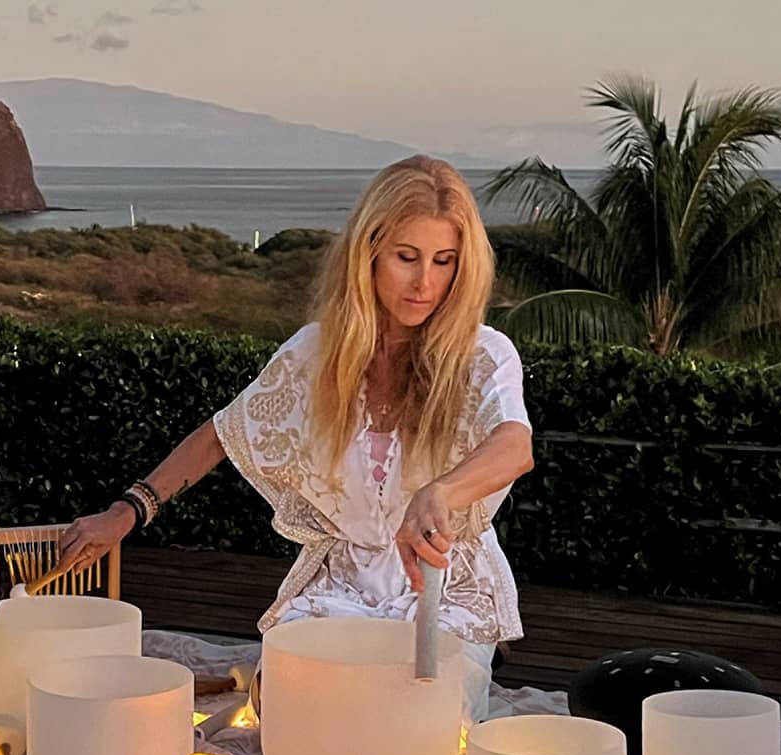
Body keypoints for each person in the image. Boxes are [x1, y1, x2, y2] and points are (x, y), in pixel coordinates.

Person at [52, 155, 534, 724]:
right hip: (342, 583)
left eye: (444, 261)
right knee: (290, 711)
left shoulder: (483, 354)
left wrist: (442, 493)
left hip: (441, 589)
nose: (425, 281)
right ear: (370, 251)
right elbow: (222, 434)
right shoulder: (316, 355)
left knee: (416, 724)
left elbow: (513, 445)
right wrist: (128, 511)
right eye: (407, 257)